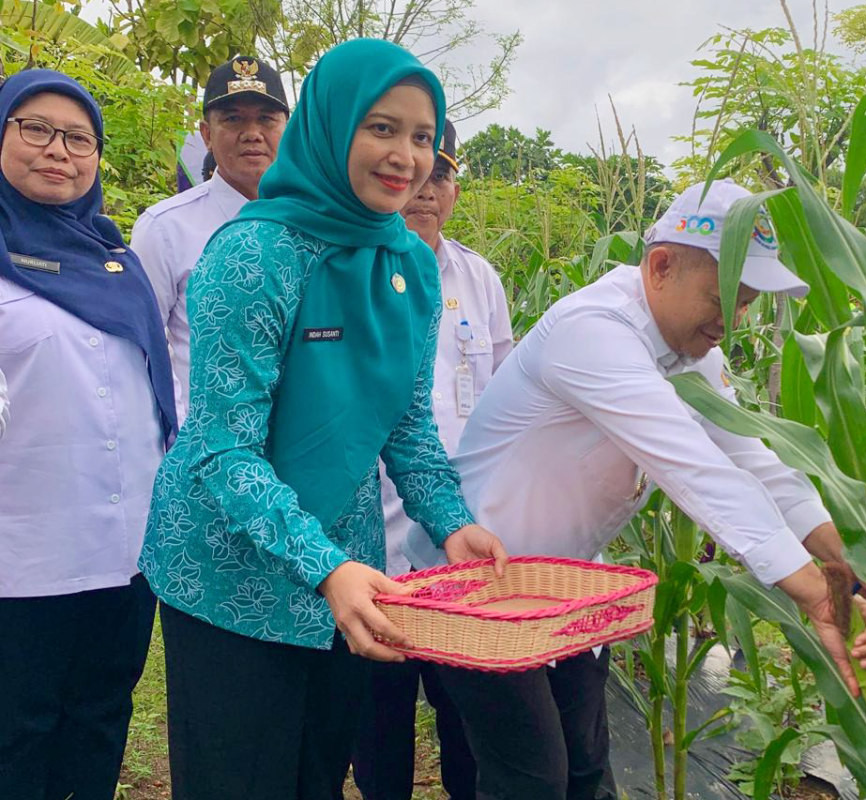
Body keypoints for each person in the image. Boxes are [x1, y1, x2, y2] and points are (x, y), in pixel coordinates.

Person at [407, 179, 866, 800]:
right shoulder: (592, 331)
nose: (735, 318)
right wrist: (815, 595)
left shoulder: (694, 353)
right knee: (531, 778)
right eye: (726, 294)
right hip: (481, 587)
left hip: (563, 585)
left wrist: (849, 569)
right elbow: (696, 469)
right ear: (662, 266)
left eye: (748, 301)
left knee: (587, 769)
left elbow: (760, 464)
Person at [137, 39, 509, 798]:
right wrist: (326, 566)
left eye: (421, 136)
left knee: (316, 774)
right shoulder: (251, 256)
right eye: (381, 128)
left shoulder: (407, 266)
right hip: (229, 572)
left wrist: (451, 522)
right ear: (331, 127)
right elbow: (221, 450)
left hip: (346, 566)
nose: (404, 155)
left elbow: (405, 426)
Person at [0, 69, 176, 800]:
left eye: (78, 138)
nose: (58, 151)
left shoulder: (120, 264)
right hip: (21, 559)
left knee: (103, 721)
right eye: (34, 129)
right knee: (20, 733)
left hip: (123, 552)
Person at [351, 120, 513, 800]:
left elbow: (503, 400)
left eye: (442, 173)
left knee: (468, 730)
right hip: (375, 549)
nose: (427, 187)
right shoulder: (350, 270)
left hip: (456, 548)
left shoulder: (478, 277)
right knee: (378, 727)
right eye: (419, 170)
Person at [131, 55, 289, 421]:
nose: (252, 133)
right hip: (211, 453)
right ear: (206, 134)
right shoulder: (165, 228)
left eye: (266, 119)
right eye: (233, 119)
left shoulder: (314, 227)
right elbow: (143, 350)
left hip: (303, 458)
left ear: (288, 128)